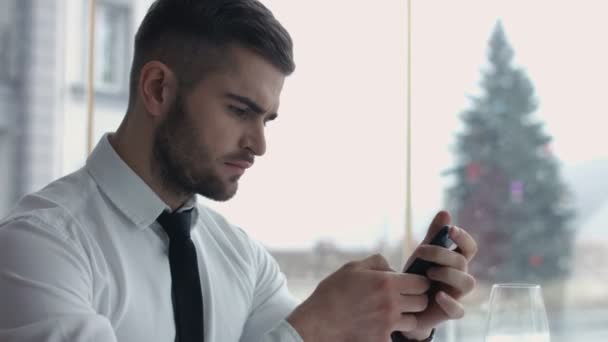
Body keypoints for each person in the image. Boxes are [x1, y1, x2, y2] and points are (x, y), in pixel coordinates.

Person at [0, 0, 478, 341]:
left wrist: (400, 329)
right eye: (239, 110)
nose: (260, 144)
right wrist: (313, 328)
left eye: (266, 119)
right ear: (158, 89)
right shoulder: (36, 250)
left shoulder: (241, 259)